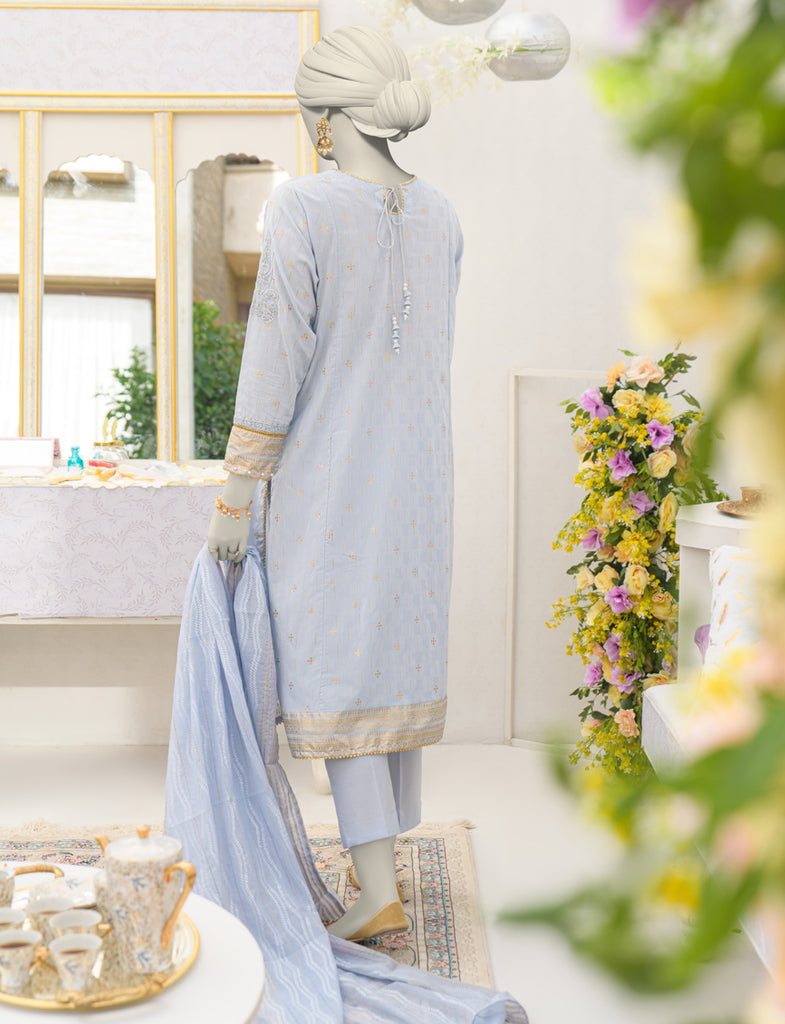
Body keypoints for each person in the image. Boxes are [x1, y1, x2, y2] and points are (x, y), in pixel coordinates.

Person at [207, 24, 464, 943]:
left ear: (322, 118)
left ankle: (375, 888)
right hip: (420, 478)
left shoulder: (304, 206)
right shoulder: (442, 214)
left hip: (332, 473)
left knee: (339, 664)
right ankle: (379, 865)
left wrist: (237, 491)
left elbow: (276, 355)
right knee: (385, 656)